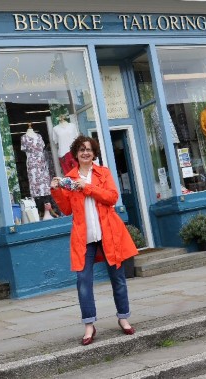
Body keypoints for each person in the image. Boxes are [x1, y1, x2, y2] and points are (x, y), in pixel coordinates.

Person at [50, 136, 138, 345]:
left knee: (118, 278)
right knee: (83, 282)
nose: (85, 153)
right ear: (76, 154)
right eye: (81, 150)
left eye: (89, 149)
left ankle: (123, 318)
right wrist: (56, 190)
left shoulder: (103, 173)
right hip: (84, 237)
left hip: (108, 233)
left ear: (94, 153)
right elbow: (66, 208)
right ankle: (89, 325)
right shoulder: (69, 178)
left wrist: (87, 187)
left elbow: (112, 198)